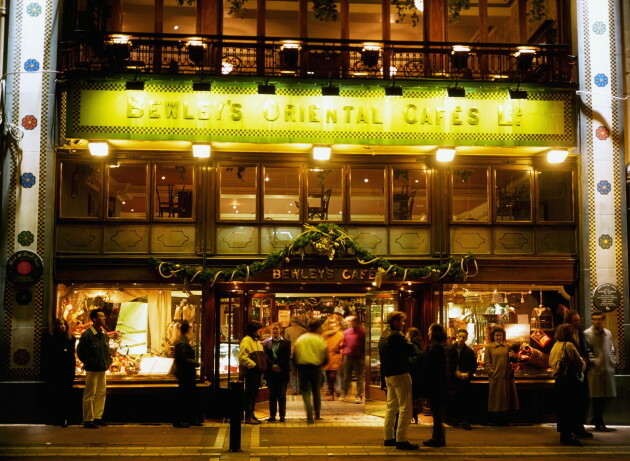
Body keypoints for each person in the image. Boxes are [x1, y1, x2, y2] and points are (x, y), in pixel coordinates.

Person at [378, 311, 418, 450]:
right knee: (405, 407)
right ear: (395, 321)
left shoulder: (384, 336)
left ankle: (388, 437)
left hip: (389, 375)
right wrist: (409, 340)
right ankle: (401, 439)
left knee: (391, 407)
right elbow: (412, 350)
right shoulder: (397, 337)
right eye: (401, 321)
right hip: (400, 373)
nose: (404, 324)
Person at [549, 323, 586, 446]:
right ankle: (569, 435)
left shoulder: (555, 345)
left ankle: (564, 434)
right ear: (570, 333)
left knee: (562, 408)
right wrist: (583, 362)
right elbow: (579, 365)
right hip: (569, 381)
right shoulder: (569, 346)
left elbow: (550, 362)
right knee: (570, 407)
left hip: (559, 381)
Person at [77, 309, 112, 428]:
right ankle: (88, 419)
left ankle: (97, 417)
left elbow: (106, 351)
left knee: (101, 393)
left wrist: (108, 362)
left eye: (104, 316)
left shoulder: (103, 334)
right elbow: (81, 353)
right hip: (92, 369)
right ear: (94, 319)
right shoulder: (87, 335)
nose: (104, 318)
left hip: (102, 368)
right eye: (101, 316)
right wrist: (90, 362)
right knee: (90, 394)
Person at [584, 310, 617, 432]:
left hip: (607, 368)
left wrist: (613, 360)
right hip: (595, 371)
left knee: (608, 396)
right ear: (592, 320)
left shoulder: (607, 333)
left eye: (599, 319)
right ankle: (598, 422)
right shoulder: (587, 333)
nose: (597, 321)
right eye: (595, 319)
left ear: (603, 320)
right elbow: (587, 350)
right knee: (597, 397)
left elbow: (611, 348)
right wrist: (595, 361)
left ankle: (596, 419)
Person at [564, 310, 593, 439]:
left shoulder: (581, 333)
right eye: (575, 320)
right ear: (569, 322)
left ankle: (579, 427)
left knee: (582, 402)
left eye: (578, 320)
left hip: (582, 372)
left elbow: (586, 349)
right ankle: (573, 429)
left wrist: (587, 360)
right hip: (572, 374)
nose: (577, 323)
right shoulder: (566, 337)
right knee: (573, 403)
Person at [293, 319, 328, 423]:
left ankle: (309, 413)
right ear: (318, 328)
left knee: (305, 391)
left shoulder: (301, 339)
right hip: (316, 368)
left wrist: (297, 366)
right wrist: (322, 364)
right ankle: (317, 414)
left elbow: (294, 354)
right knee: (316, 391)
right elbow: (326, 355)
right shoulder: (320, 339)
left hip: (303, 368)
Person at [44, 318, 76, 427]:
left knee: (65, 396)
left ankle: (65, 418)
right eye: (59, 324)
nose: (62, 326)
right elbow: (48, 356)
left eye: (63, 324)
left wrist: (72, 372)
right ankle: (55, 417)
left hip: (67, 372)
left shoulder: (71, 338)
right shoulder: (50, 338)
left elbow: (71, 357)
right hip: (55, 372)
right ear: (55, 326)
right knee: (55, 395)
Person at [483, 325, 518, 425]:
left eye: (500, 335)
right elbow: (486, 363)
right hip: (496, 377)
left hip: (507, 377)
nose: (499, 337)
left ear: (503, 336)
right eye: (497, 335)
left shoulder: (507, 347)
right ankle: (496, 419)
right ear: (493, 336)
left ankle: (504, 419)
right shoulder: (489, 347)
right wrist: (492, 373)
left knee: (506, 399)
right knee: (496, 399)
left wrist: (514, 356)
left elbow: (515, 360)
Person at [423, 323, 448, 447]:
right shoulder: (443, 347)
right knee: (437, 413)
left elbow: (429, 368)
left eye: (429, 331)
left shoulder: (434, 348)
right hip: (441, 385)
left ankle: (437, 439)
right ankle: (439, 438)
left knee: (436, 413)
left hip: (435, 385)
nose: (428, 333)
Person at [173, 320, 201, 428]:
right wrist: (197, 363)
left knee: (188, 397)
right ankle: (180, 421)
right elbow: (183, 359)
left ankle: (189, 420)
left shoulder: (182, 341)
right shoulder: (182, 343)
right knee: (185, 397)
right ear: (188, 330)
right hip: (185, 374)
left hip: (186, 373)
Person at [448, 329, 477, 430]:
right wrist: (454, 372)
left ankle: (465, 420)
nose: (461, 339)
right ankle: (454, 419)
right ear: (457, 336)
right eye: (460, 336)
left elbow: (473, 365)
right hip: (452, 379)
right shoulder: (450, 349)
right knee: (453, 399)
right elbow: (447, 364)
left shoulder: (469, 351)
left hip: (464, 379)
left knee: (465, 399)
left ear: (466, 338)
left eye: (464, 337)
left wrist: (468, 374)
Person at [238, 321, 266, 425]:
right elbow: (242, 357)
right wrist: (254, 365)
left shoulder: (256, 341)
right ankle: (248, 416)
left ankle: (251, 414)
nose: (261, 332)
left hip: (257, 372)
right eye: (259, 329)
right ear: (254, 330)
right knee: (249, 394)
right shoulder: (247, 340)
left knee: (253, 394)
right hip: (251, 372)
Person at [262, 323, 291, 422]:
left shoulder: (286, 342)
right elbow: (265, 356)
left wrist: (279, 365)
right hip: (271, 373)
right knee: (272, 395)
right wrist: (272, 365)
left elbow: (287, 356)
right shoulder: (266, 342)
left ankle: (282, 416)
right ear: (270, 330)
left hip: (282, 372)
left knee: (282, 395)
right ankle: (272, 415)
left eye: (276, 329)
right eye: (273, 329)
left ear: (280, 330)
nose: (275, 331)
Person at [341, 316, 366, 403]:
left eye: (354, 321)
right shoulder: (347, 332)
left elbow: (364, 344)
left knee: (359, 378)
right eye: (352, 321)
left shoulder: (362, 332)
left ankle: (358, 395)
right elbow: (343, 343)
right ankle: (344, 393)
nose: (353, 323)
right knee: (346, 377)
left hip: (358, 357)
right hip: (348, 357)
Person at [284, 317, 307, 395]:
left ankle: (294, 389)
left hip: (291, 353)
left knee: (292, 372)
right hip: (301, 353)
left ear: (291, 322)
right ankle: (301, 389)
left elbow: (286, 342)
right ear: (299, 322)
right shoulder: (303, 330)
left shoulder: (287, 330)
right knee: (301, 372)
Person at [322, 318, 344, 400]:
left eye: (334, 323)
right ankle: (332, 392)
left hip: (336, 358)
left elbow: (343, 346)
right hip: (327, 358)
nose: (332, 325)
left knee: (333, 376)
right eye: (331, 323)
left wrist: (340, 351)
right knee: (328, 376)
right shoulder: (324, 335)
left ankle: (333, 392)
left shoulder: (340, 334)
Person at [405, 327, 423, 424]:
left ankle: (411, 414)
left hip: (413, 374)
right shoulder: (418, 345)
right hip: (416, 374)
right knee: (413, 396)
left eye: (407, 334)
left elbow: (416, 359)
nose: (406, 336)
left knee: (410, 395)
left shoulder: (413, 346)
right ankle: (413, 414)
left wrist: (406, 361)